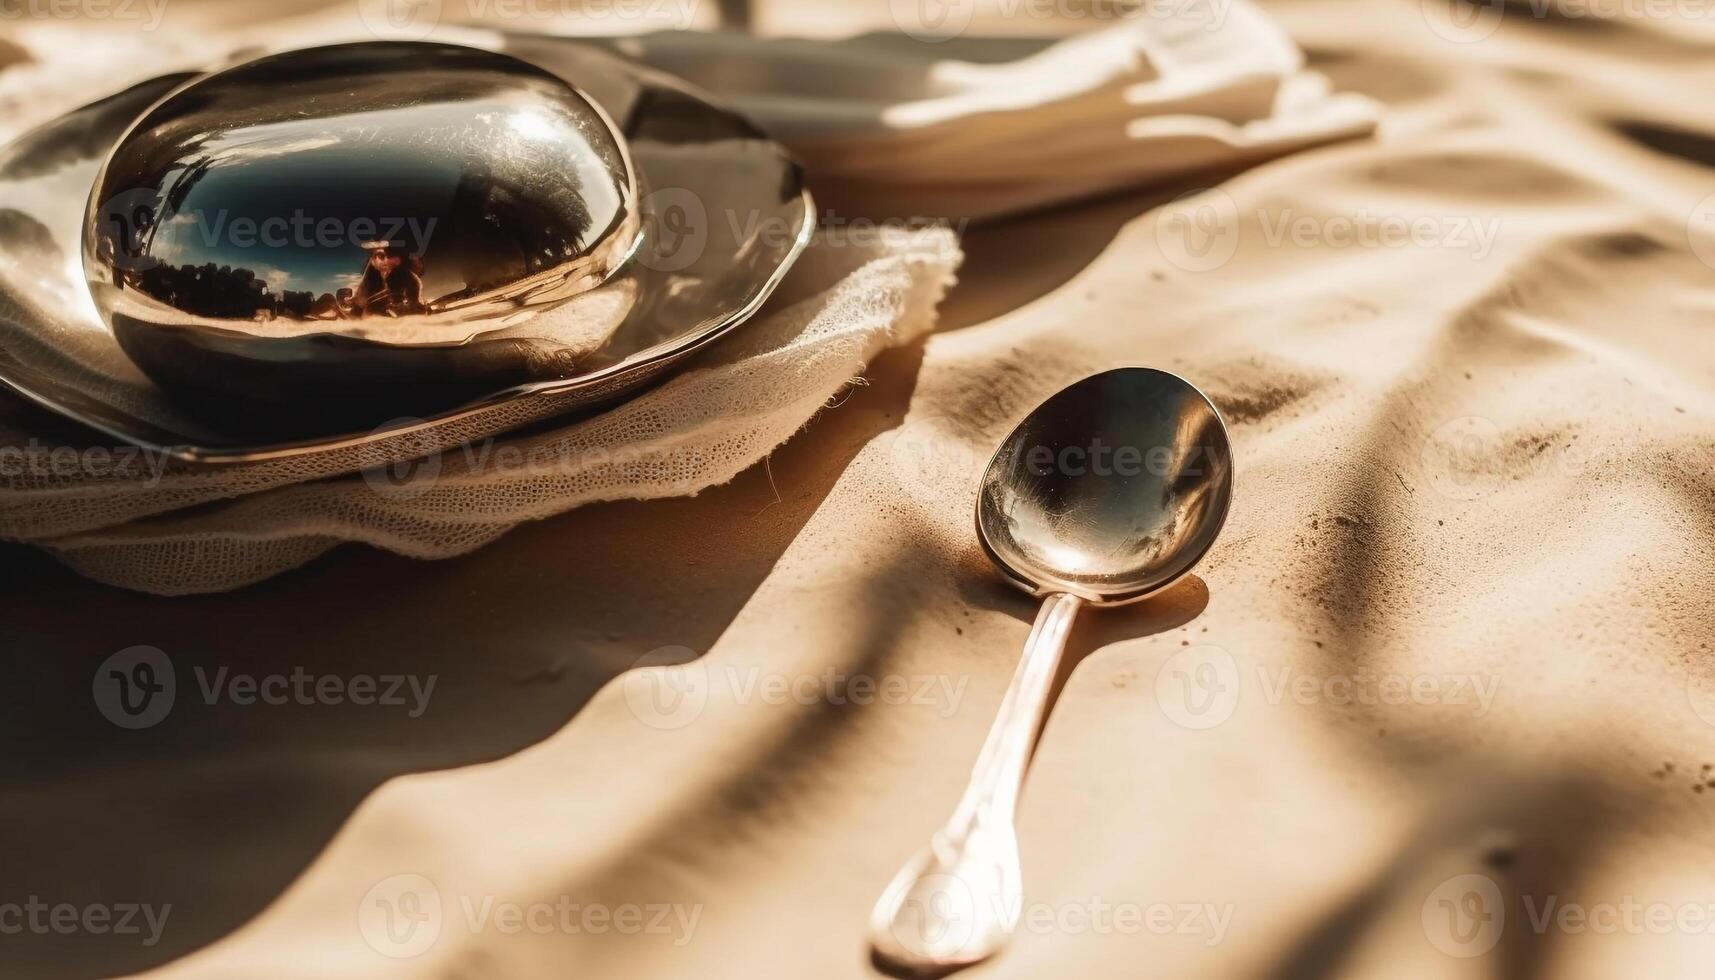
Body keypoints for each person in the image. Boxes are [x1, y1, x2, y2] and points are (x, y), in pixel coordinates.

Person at [353, 240, 425, 317]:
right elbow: (363, 290)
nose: (384, 261)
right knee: (368, 305)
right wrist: (355, 303)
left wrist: (414, 303)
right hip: (383, 307)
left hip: (400, 302)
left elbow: (414, 285)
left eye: (386, 256)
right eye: (378, 256)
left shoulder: (403, 273)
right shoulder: (372, 272)